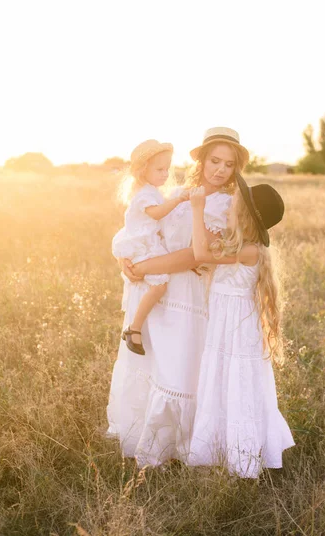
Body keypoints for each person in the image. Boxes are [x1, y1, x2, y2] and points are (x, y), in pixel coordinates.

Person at [107, 127, 250, 467]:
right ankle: (142, 434)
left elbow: (194, 256)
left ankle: (177, 446)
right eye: (215, 160)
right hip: (155, 291)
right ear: (201, 159)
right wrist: (125, 260)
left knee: (178, 369)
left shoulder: (225, 205)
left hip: (187, 294)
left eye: (229, 165)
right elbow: (142, 227)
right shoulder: (176, 192)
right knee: (151, 363)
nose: (220, 170)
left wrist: (144, 266)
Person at [188, 175, 295, 478]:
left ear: (245, 215)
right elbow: (205, 258)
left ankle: (243, 459)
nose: (229, 205)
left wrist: (197, 210)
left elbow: (200, 255)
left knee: (239, 385)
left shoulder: (250, 251)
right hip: (224, 326)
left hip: (238, 328)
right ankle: (218, 449)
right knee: (223, 381)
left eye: (234, 203)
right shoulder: (239, 245)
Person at [112, 139, 188, 355]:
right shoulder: (145, 194)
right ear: (143, 170)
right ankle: (134, 328)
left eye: (167, 169)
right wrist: (178, 200)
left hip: (146, 240)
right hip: (142, 244)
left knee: (159, 286)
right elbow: (157, 214)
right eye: (160, 169)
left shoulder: (150, 190)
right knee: (159, 285)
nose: (165, 174)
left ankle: (136, 327)